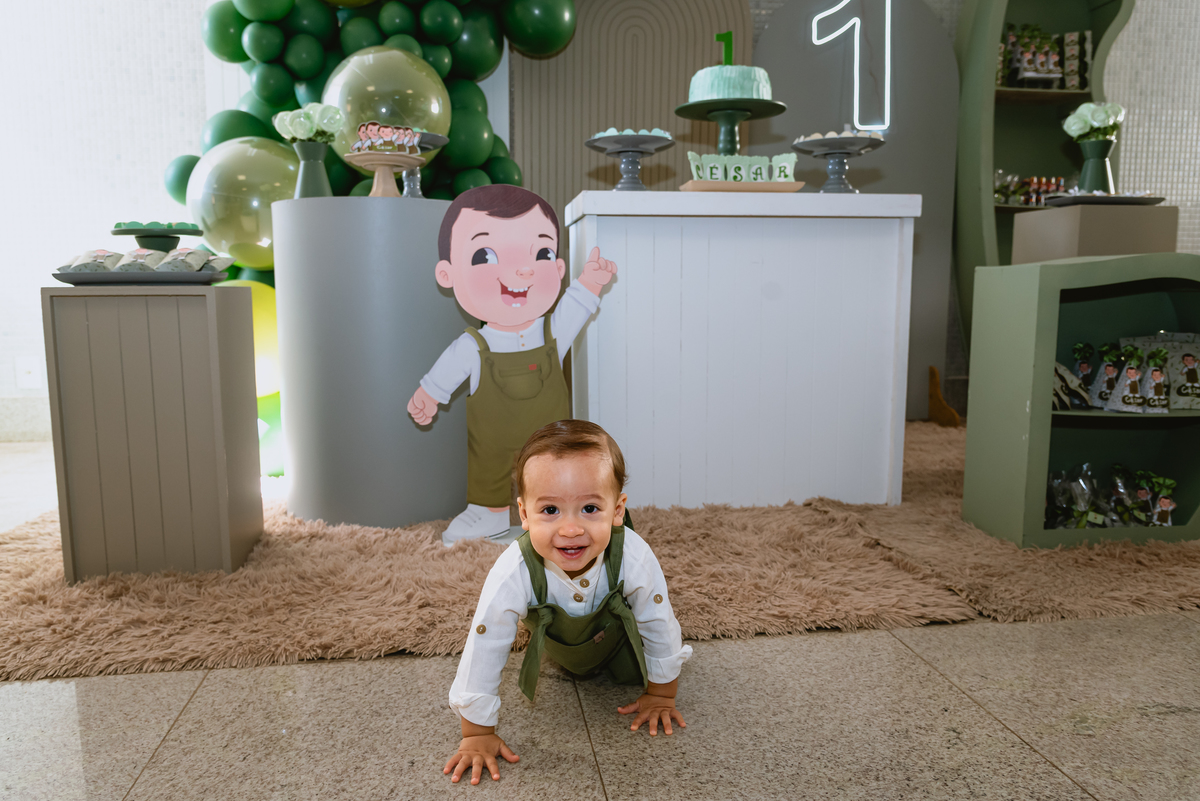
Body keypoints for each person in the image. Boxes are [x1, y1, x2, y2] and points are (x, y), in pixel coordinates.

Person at [443, 420, 692, 785]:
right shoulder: (513, 569)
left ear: (618, 510)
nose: (571, 529)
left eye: (590, 509)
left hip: (618, 640)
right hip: (557, 647)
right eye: (550, 511)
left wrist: (661, 694)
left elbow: (657, 620)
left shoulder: (633, 556)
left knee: (632, 669)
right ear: (524, 515)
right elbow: (486, 640)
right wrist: (477, 732)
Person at [408, 185, 617, 545]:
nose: (522, 270)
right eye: (485, 256)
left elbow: (575, 306)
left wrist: (590, 283)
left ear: (559, 267)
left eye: (541, 253)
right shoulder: (474, 346)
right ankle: (487, 513)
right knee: (488, 471)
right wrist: (429, 394)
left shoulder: (554, 331)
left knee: (555, 474)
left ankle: (554, 512)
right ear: (448, 274)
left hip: (549, 439)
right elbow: (446, 372)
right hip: (492, 442)